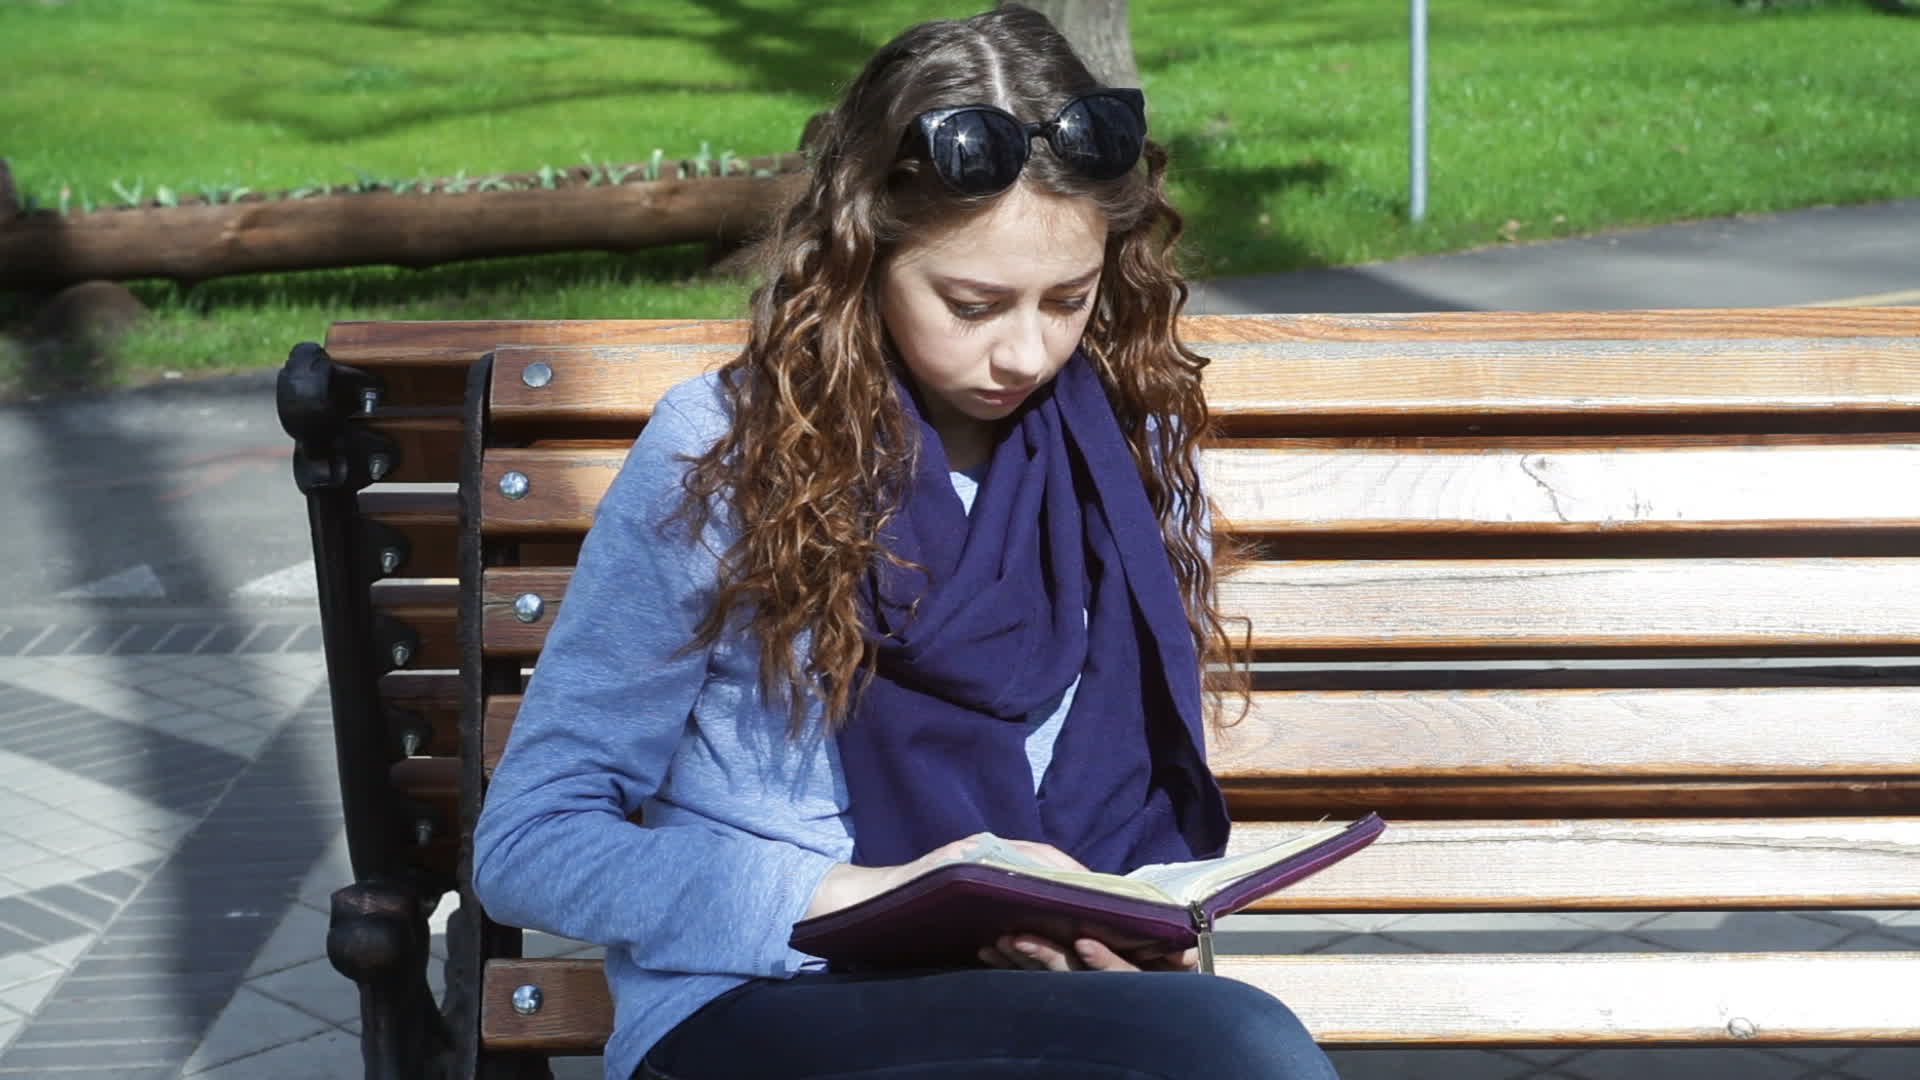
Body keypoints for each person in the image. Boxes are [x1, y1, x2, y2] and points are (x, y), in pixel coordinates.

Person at [471, 6, 1339, 1079]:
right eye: (972, 304)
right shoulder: (727, 453)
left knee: (1244, 1048)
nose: (1025, 350)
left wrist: (1113, 927)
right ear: (865, 252)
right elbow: (530, 841)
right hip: (764, 999)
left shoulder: (1130, 446)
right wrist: (853, 897)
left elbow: (1131, 793)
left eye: (1068, 299)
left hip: (1040, 996)